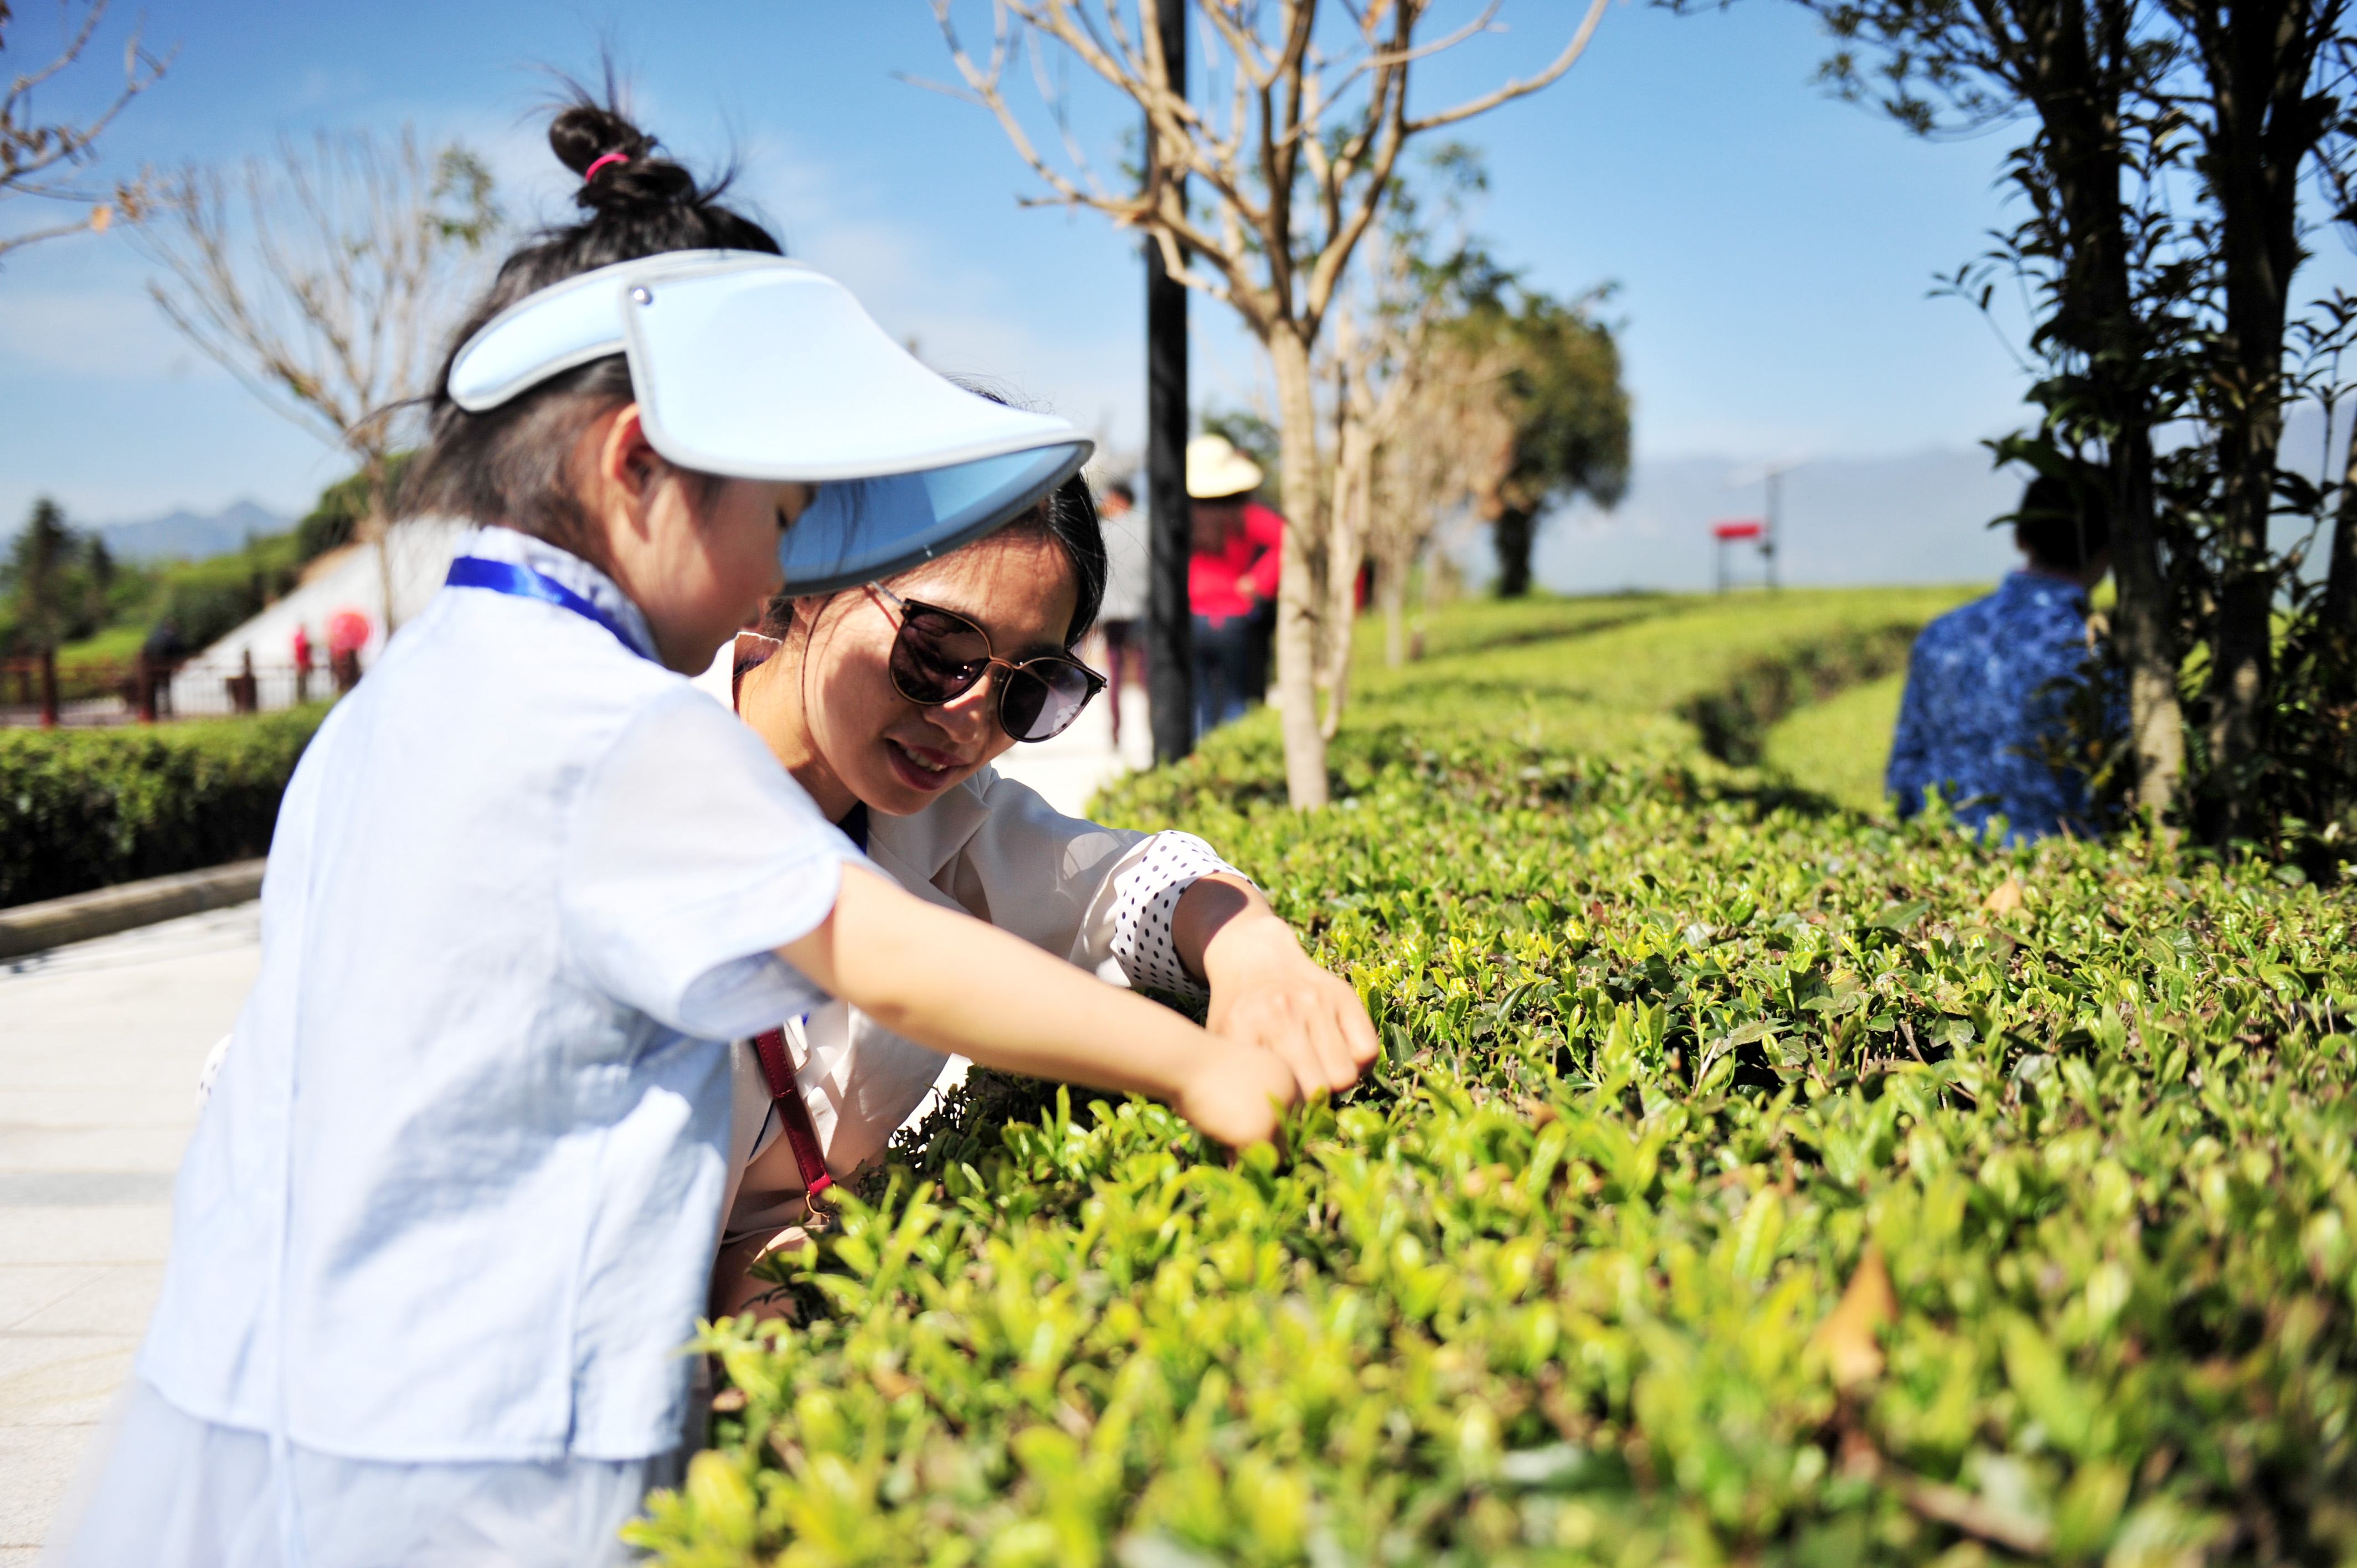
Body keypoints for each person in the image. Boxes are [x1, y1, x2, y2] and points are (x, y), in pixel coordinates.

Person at [51, 99, 1309, 1568]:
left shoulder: (393, 712)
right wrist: (1195, 1066)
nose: (788, 561)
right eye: (781, 517)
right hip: (483, 1452)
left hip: (270, 1409)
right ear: (641, 467)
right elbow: (883, 954)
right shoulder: (613, 729)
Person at [711, 470, 1378, 1318]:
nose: (969, 719)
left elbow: (1124, 884)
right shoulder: (648, 766)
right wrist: (1198, 1071)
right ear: (811, 586)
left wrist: (1255, 953)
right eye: (937, 650)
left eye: (1030, 688)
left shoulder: (936, 813)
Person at [1886, 472, 2120, 842]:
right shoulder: (2098, 654)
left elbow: (1904, 774)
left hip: (1941, 862)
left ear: (2019, 537)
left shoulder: (1942, 634)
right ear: (2109, 554)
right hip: (2062, 873)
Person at [1185, 434, 1284, 737]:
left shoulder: (1180, 516)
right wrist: (1259, 581)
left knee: (1200, 701)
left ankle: (1204, 763)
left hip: (1193, 617)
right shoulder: (1246, 515)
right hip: (1236, 617)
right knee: (1238, 700)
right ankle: (1233, 761)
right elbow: (1288, 541)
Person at [1092, 477, 1145, 746]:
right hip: (1144, 609)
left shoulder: (1101, 531)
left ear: (1119, 500)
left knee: (1114, 670)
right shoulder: (1147, 526)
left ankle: (1116, 732)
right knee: (1147, 672)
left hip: (1111, 613)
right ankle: (1152, 726)